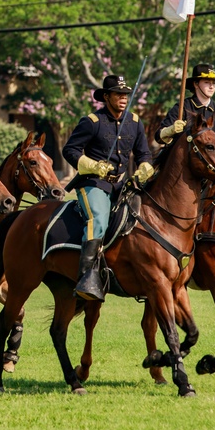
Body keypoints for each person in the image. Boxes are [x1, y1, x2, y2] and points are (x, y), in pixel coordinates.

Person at [62, 75, 153, 302]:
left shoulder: (134, 121)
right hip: (93, 184)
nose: (123, 98)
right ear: (106, 97)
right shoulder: (92, 121)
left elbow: (144, 154)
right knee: (99, 220)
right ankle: (86, 277)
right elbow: (70, 150)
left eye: (125, 94)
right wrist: (93, 166)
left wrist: (144, 168)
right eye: (118, 94)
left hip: (122, 185)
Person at [156, 63, 215, 145]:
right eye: (207, 82)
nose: (211, 86)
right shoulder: (182, 107)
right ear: (196, 84)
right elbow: (158, 137)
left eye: (214, 83)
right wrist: (171, 130)